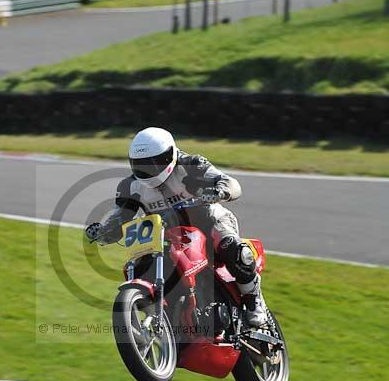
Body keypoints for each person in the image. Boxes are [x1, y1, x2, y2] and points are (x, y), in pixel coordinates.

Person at [85, 127, 268, 328]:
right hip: (166, 236)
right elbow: (120, 216)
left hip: (208, 222)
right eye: (141, 165)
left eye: (155, 163)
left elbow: (231, 183)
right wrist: (104, 231)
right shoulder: (129, 186)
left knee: (233, 248)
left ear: (170, 154)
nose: (149, 169)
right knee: (139, 268)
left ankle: (253, 300)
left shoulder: (191, 165)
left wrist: (219, 190)